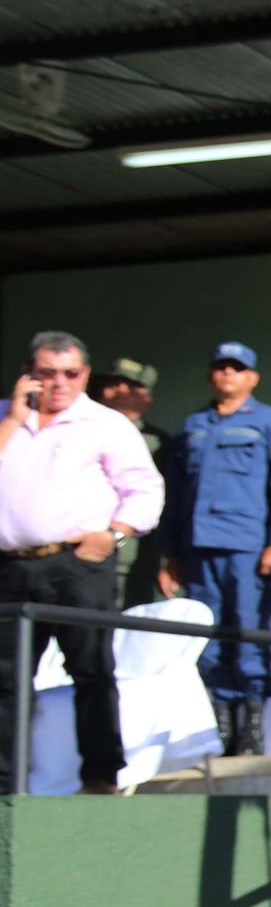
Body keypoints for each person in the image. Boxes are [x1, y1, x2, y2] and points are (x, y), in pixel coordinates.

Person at [0, 331, 164, 793]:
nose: (58, 383)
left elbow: (146, 490)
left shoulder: (106, 424)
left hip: (77, 563)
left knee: (91, 671)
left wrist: (112, 536)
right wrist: (14, 418)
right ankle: (4, 784)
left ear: (85, 375)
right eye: (47, 372)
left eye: (70, 373)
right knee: (6, 679)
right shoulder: (7, 417)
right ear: (29, 374)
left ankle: (100, 777)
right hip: (11, 566)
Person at [160, 342, 271, 756]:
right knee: (208, 633)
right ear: (210, 375)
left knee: (248, 630)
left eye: (237, 369)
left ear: (252, 378)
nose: (228, 375)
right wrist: (171, 554)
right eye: (221, 367)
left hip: (247, 546)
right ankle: (220, 724)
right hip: (198, 546)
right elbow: (175, 494)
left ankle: (251, 726)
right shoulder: (193, 425)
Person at [97, 357, 171, 607]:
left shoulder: (159, 443)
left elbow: (168, 505)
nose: (118, 392)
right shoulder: (78, 431)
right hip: (77, 554)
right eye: (113, 384)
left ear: (146, 399)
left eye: (129, 387)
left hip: (134, 558)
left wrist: (165, 561)